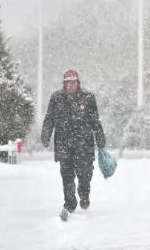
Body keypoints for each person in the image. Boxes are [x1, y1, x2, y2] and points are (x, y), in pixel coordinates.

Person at [41, 69, 106, 220]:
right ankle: (70, 203)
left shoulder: (88, 97)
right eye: (67, 82)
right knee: (67, 175)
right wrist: (46, 135)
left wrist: (100, 138)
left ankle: (84, 193)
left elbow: (95, 120)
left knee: (85, 173)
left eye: (73, 82)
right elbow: (49, 118)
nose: (70, 85)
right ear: (64, 84)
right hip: (64, 143)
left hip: (84, 144)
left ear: (78, 83)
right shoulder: (56, 98)